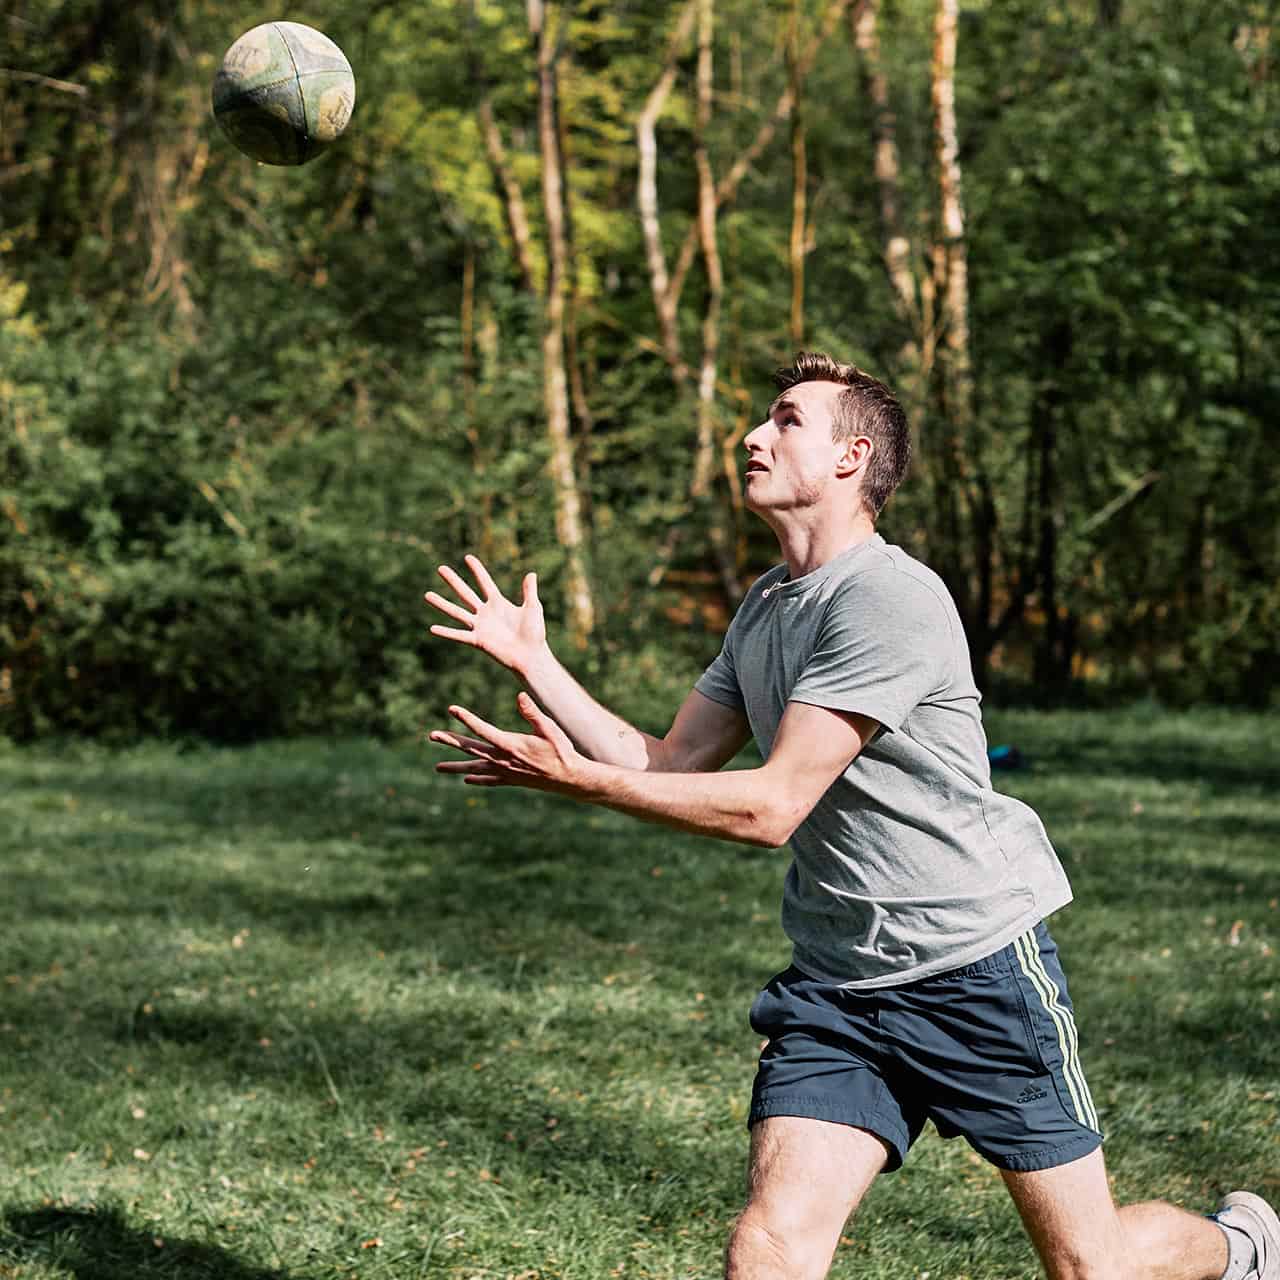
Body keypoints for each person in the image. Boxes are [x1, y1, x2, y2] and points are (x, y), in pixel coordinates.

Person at [424, 352, 1277, 1280]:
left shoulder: (887, 599)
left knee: (1092, 1264)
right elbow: (672, 762)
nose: (753, 434)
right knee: (769, 1246)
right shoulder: (765, 607)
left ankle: (1240, 1250)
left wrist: (583, 783)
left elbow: (771, 806)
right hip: (838, 986)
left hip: (971, 967)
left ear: (850, 456)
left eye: (787, 419)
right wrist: (535, 664)